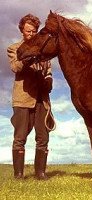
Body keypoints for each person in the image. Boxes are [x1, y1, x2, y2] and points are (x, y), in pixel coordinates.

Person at [7, 14, 55, 180]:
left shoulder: (43, 51)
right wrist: (28, 57)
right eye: (28, 31)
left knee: (43, 137)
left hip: (42, 100)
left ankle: (40, 173)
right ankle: (19, 175)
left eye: (34, 31)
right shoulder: (14, 48)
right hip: (22, 98)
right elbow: (15, 67)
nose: (32, 34)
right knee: (19, 137)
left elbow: (48, 71)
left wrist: (49, 81)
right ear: (22, 30)